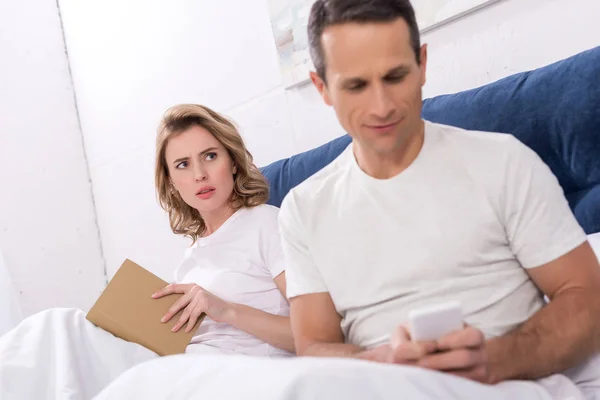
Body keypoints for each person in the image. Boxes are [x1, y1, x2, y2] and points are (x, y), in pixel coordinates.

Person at [278, 0, 600, 398]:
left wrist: (495, 359)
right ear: (322, 88)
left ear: (422, 64)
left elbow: (588, 299)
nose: (381, 106)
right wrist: (384, 365)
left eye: (395, 76)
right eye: (356, 85)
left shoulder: (503, 161)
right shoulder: (302, 208)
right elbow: (312, 347)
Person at [0, 103, 294, 400]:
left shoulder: (267, 224)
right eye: (183, 165)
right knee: (52, 338)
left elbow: (316, 336)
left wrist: (226, 310)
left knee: (60, 329)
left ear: (232, 161)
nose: (200, 175)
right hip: (177, 368)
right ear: (171, 182)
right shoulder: (192, 258)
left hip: (224, 376)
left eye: (210, 156)